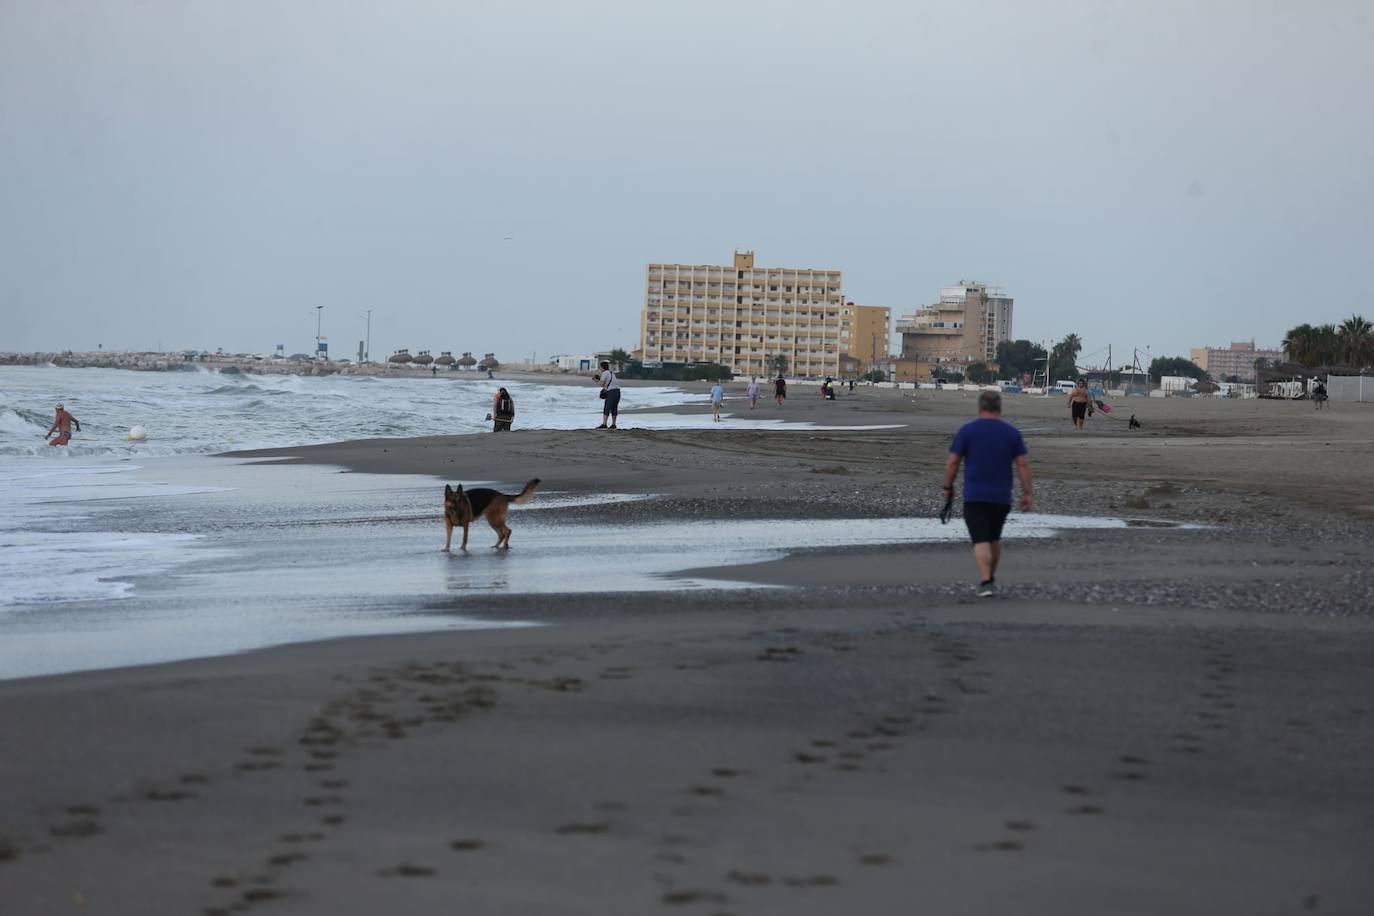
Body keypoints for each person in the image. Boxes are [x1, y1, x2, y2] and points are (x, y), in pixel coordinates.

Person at [941, 390, 1033, 598]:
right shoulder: (1011, 432)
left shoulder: (967, 431)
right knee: (993, 539)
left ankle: (986, 581)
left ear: (980, 407)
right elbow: (1023, 464)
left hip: (975, 496)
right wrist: (1028, 493)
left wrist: (947, 487)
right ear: (999, 408)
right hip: (1002, 497)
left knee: (980, 539)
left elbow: (953, 462)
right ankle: (989, 578)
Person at [595, 360, 620, 429]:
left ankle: (604, 424)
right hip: (617, 391)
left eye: (600, 367)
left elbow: (602, 384)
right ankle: (613, 424)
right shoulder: (611, 373)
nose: (599, 369)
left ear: (602, 368)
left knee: (607, 407)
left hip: (611, 392)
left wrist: (596, 380)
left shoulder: (605, 373)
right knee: (614, 408)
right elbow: (608, 383)